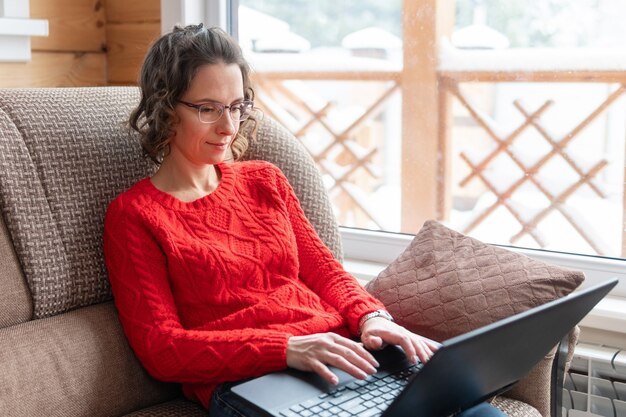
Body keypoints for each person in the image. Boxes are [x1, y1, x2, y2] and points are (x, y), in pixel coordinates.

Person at [103, 24, 507, 417]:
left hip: (342, 349)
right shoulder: (136, 216)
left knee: (471, 407)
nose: (228, 126)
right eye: (207, 109)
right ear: (165, 106)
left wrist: (373, 317)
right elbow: (162, 350)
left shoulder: (265, 180)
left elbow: (325, 270)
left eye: (237, 106)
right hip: (255, 380)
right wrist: (288, 348)